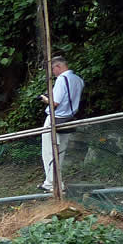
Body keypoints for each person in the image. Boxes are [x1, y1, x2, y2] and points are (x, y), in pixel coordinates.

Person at [40, 55, 84, 192]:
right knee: (61, 152)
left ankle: (51, 184)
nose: (53, 73)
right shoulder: (79, 80)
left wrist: (43, 98)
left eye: (53, 69)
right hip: (69, 119)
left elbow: (55, 103)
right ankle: (57, 183)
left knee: (49, 152)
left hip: (55, 119)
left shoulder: (61, 79)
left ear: (58, 67)